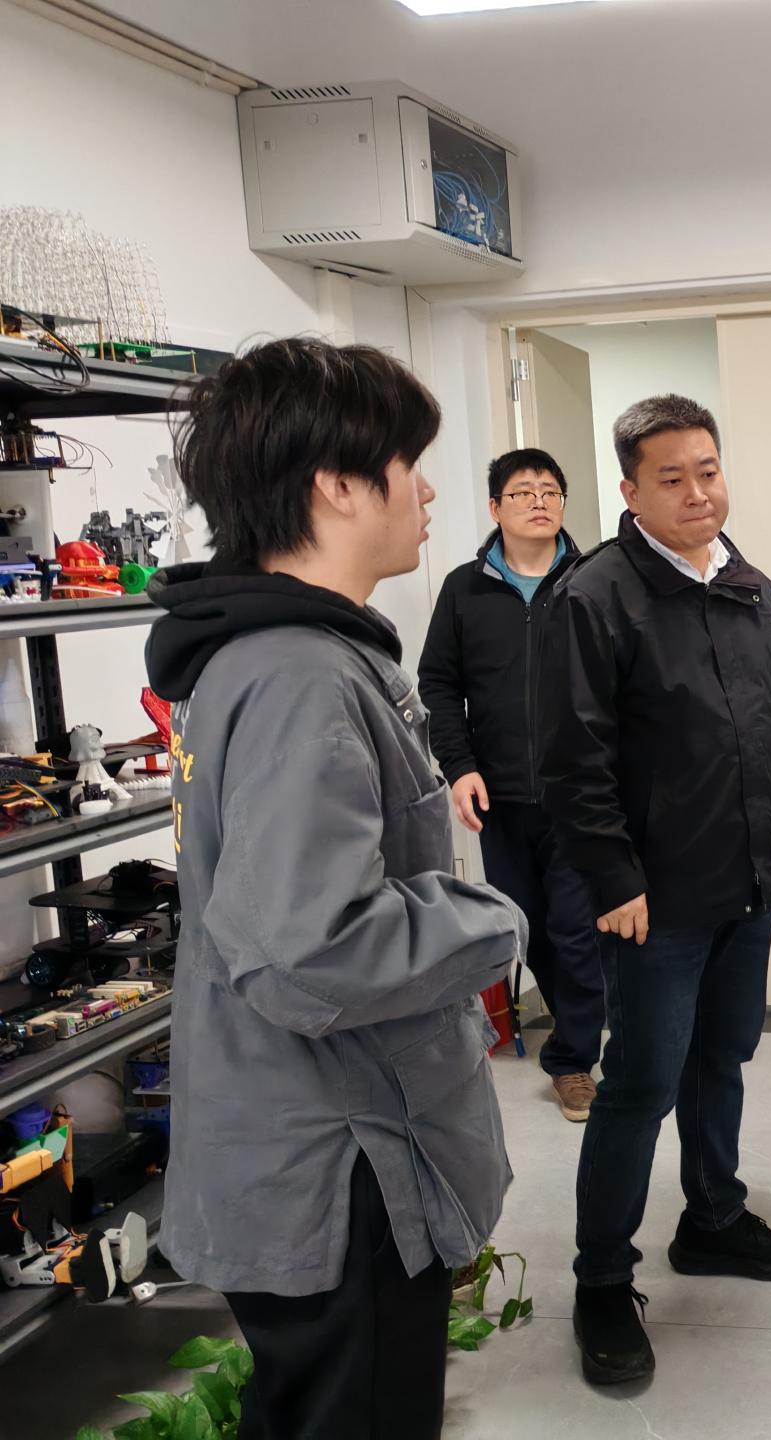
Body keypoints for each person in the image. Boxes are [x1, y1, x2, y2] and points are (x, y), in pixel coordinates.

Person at [145, 337, 526, 1438]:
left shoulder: (285, 656)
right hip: (335, 1160)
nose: (428, 491)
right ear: (338, 485)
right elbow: (312, 949)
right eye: (410, 464)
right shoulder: (299, 676)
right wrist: (492, 919)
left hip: (312, 1138)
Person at [535, 393, 771, 1386]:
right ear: (631, 490)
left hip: (747, 877)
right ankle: (601, 1283)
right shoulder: (595, 597)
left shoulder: (748, 584)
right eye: (673, 478)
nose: (698, 492)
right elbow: (572, 759)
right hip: (652, 902)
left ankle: (712, 1218)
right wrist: (613, 877)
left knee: (723, 1056)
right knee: (640, 1084)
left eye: (709, 471)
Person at [419, 447, 605, 1122]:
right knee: (530, 928)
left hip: (582, 794)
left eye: (550, 490)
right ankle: (579, 1030)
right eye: (523, 492)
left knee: (578, 927)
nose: (539, 502)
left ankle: (574, 1059)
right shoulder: (464, 589)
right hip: (499, 795)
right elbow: (439, 684)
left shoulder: (594, 580)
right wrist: (460, 766)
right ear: (496, 507)